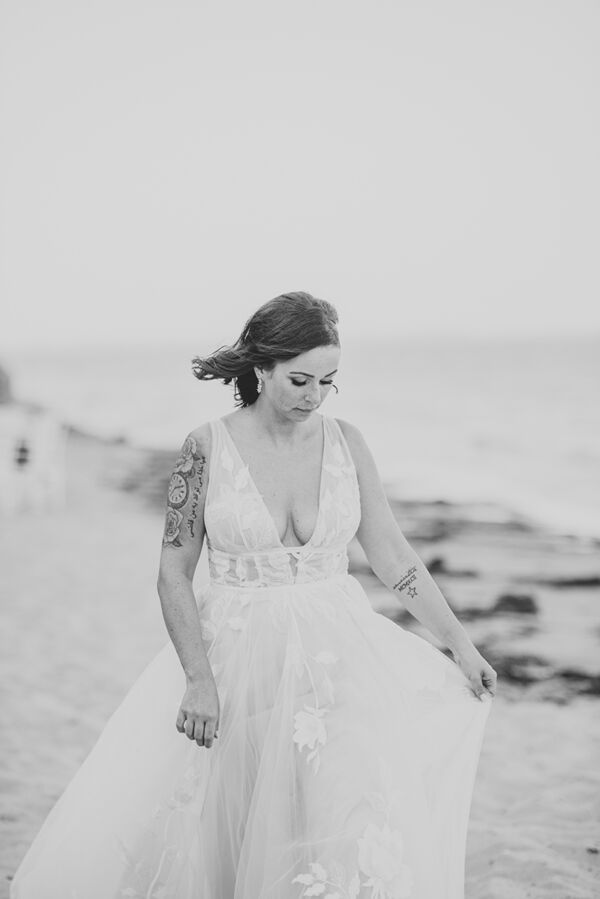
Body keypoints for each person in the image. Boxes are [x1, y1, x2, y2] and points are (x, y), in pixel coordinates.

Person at [10, 291, 495, 899]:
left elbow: (394, 558)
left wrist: (459, 645)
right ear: (261, 368)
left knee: (345, 820)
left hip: (338, 662)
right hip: (239, 666)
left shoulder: (348, 443)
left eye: (328, 381)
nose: (314, 396)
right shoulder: (206, 447)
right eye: (300, 380)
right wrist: (199, 679)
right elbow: (173, 573)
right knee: (237, 832)